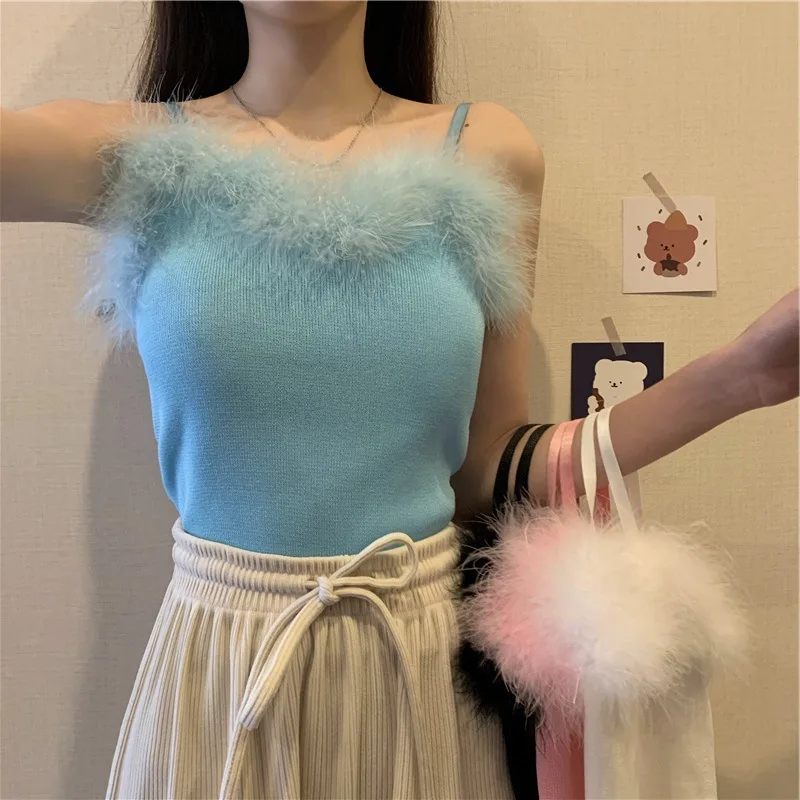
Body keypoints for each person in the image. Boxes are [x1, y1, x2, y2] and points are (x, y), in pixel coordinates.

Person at [1, 2, 797, 798]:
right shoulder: (134, 151)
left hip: (417, 682)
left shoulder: (485, 154)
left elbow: (488, 467)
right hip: (220, 674)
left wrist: (741, 378)